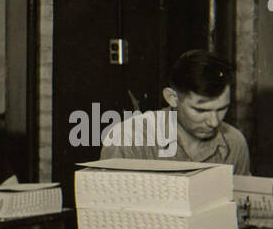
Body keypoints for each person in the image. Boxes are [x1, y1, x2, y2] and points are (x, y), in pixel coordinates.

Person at [99, 50, 251, 174]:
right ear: (172, 98)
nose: (214, 122)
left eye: (222, 109)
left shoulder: (234, 142)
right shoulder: (128, 139)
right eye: (200, 110)